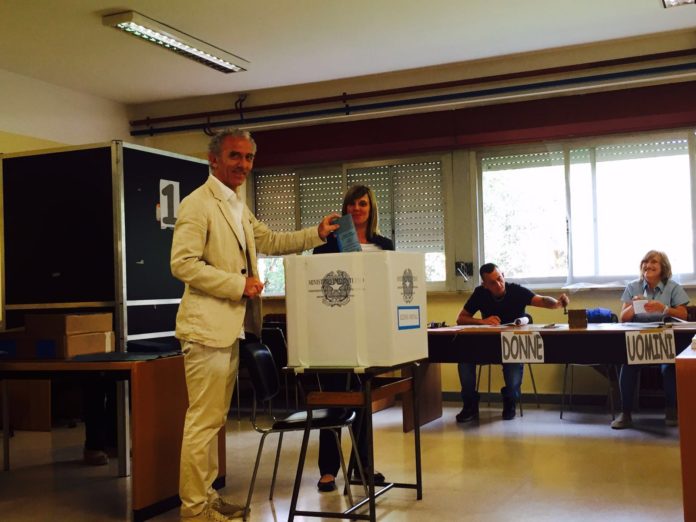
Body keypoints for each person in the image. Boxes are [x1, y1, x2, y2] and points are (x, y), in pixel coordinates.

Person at [171, 128, 339, 521]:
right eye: (235, 156)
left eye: (248, 157)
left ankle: (208, 499)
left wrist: (316, 233)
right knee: (203, 422)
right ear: (214, 159)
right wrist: (237, 284)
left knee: (213, 422)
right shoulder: (198, 204)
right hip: (205, 330)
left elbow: (271, 240)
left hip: (232, 330)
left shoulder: (237, 206)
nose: (243, 164)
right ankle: (194, 510)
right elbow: (182, 264)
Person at [313, 185, 393, 492]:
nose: (357, 209)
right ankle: (328, 470)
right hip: (334, 333)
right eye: (352, 204)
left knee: (364, 400)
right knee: (334, 399)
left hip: (370, 332)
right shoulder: (327, 245)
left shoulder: (384, 246)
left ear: (371, 209)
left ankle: (362, 466)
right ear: (345, 208)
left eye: (363, 204)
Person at [455, 263, 569, 423]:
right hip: (487, 344)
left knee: (514, 361)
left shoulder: (516, 290)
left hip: (513, 344)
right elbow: (461, 318)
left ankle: (510, 401)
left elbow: (541, 300)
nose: (498, 284)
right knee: (464, 360)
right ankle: (470, 405)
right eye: (492, 283)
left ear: (503, 275)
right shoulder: (480, 293)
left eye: (499, 279)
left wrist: (557, 304)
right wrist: (482, 321)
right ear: (484, 285)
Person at [611, 250, 688, 430]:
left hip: (665, 341)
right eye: (645, 262)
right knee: (627, 365)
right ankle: (626, 413)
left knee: (670, 367)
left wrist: (664, 308)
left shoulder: (673, 287)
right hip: (638, 341)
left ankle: (671, 410)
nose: (648, 265)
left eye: (654, 262)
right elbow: (623, 318)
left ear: (663, 267)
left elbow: (683, 315)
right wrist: (635, 306)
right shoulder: (633, 287)